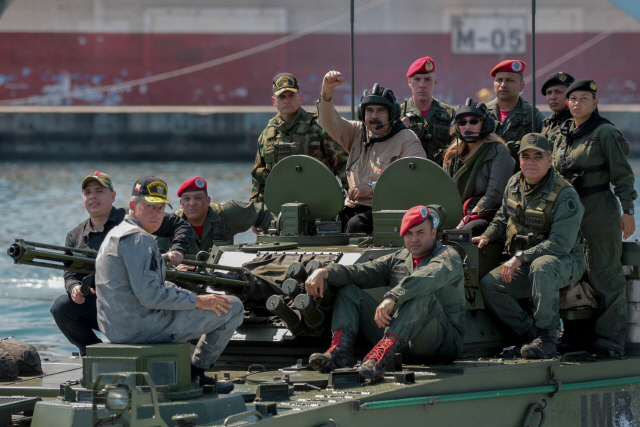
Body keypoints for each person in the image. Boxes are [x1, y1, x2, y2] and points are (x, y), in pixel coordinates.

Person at [95, 176, 243, 392]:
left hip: (117, 325)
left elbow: (150, 288)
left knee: (195, 301)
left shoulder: (116, 234)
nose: (157, 213)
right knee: (233, 306)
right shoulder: (139, 238)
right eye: (150, 207)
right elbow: (151, 296)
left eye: (161, 207)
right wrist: (198, 301)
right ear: (133, 206)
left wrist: (189, 298)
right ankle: (196, 374)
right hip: (140, 327)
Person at [305, 206, 465, 382]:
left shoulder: (448, 256)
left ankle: (379, 358)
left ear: (433, 233)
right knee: (349, 289)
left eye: (421, 233)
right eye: (409, 234)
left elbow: (427, 277)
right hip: (400, 341)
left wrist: (394, 296)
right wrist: (325, 272)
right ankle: (339, 352)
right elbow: (361, 272)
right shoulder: (399, 258)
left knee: (421, 294)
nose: (414, 239)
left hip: (439, 343)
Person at [50, 172, 194, 357]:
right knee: (62, 307)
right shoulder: (75, 236)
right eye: (87, 192)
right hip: (107, 306)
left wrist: (178, 250)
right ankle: (96, 355)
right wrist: (75, 287)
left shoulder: (134, 217)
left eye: (99, 191)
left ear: (112, 196)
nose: (93, 196)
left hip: (142, 301)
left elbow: (180, 225)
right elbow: (70, 273)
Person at [475, 134, 585, 359]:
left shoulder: (565, 195)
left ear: (549, 160)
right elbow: (503, 215)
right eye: (526, 157)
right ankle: (530, 334)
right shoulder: (515, 183)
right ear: (519, 159)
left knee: (542, 267)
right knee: (490, 285)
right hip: (529, 260)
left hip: (566, 261)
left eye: (538, 157)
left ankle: (548, 337)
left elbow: (560, 244)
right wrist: (487, 236)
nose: (531, 162)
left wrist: (521, 257)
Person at [554, 79, 637, 356]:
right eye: (573, 99)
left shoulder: (604, 133)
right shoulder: (563, 135)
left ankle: (610, 337)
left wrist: (628, 211)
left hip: (599, 208)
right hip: (568, 213)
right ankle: (577, 334)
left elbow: (623, 175)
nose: (578, 103)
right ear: (568, 103)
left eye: (584, 99)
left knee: (605, 273)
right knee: (574, 274)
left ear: (595, 103)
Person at [317, 70, 426, 233]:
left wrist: (374, 187)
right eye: (369, 111)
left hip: (389, 210)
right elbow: (328, 121)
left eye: (381, 111)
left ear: (392, 114)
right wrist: (327, 89)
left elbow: (417, 179)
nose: (374, 116)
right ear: (362, 113)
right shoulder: (357, 132)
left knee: (355, 226)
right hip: (353, 206)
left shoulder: (406, 139)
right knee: (323, 223)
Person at [251, 72, 348, 202]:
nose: (287, 100)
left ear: (300, 98)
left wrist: (353, 201)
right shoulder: (266, 135)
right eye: (281, 97)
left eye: (291, 95)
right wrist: (257, 211)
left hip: (318, 203)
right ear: (274, 101)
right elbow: (259, 178)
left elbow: (343, 167)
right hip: (280, 205)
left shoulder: (319, 127)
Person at [443, 98, 515, 236]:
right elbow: (446, 191)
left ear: (484, 124)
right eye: (462, 122)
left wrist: (468, 217)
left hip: (489, 215)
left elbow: (494, 194)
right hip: (458, 213)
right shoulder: (452, 155)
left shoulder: (499, 151)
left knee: (462, 234)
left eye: (474, 121)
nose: (467, 126)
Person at [156, 176, 275, 257]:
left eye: (198, 198)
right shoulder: (170, 224)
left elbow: (263, 212)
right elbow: (153, 255)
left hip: (224, 277)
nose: (192, 203)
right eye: (187, 199)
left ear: (208, 201)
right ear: (181, 204)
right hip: (186, 280)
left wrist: (267, 231)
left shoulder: (226, 213)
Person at [400, 56, 455, 165]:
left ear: (435, 82)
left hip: (439, 177)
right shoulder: (398, 115)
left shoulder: (449, 114)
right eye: (417, 79)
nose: (422, 85)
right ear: (409, 82)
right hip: (408, 176)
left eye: (427, 80)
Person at [485, 60, 545, 158]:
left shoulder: (533, 116)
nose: (503, 85)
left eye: (510, 80)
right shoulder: (483, 113)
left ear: (521, 86)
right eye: (499, 80)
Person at [540, 71, 575, 142]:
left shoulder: (578, 123)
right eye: (549, 93)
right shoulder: (547, 123)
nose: (552, 97)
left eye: (558, 92)